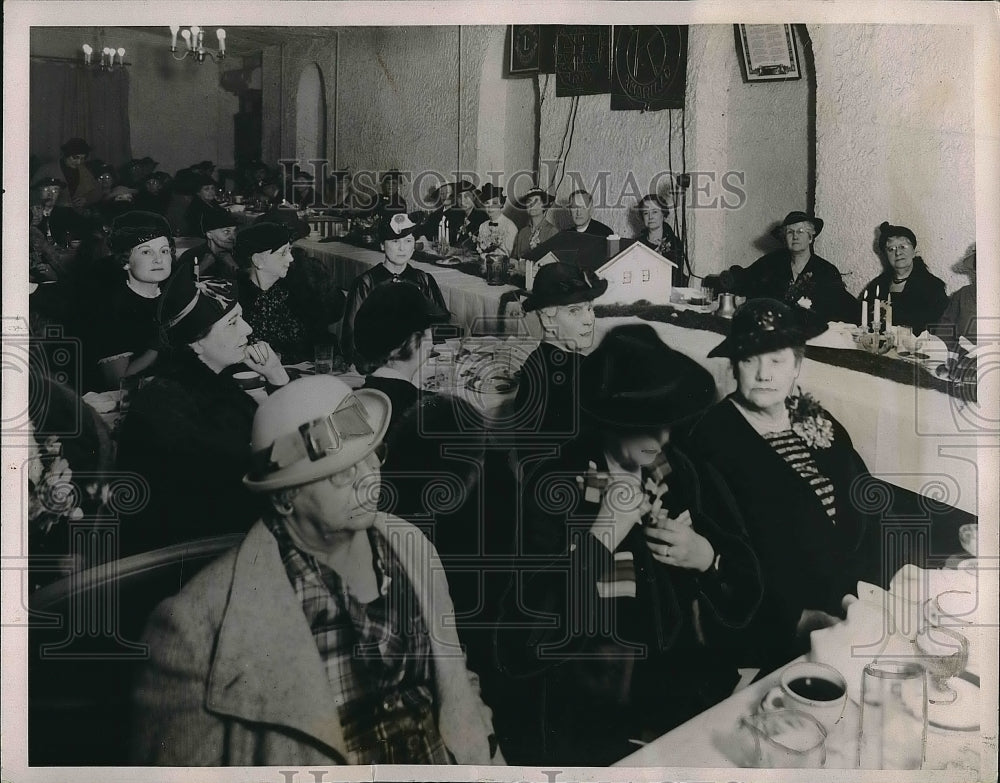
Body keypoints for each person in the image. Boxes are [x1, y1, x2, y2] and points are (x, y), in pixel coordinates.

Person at [131, 375, 504, 766]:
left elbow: (455, 680)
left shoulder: (410, 543)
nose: (369, 475)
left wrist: (493, 760)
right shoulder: (193, 630)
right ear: (285, 497)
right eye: (342, 470)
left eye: (372, 453)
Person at [495, 324, 762, 765]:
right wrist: (602, 536)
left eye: (667, 424)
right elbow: (522, 642)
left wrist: (706, 557)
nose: (663, 440)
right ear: (609, 421)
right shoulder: (556, 488)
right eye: (648, 427)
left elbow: (747, 582)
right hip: (593, 715)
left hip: (681, 693)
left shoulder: (675, 471)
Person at [685, 298, 873, 672]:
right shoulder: (711, 439)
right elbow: (728, 560)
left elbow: (860, 503)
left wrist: (857, 596)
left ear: (797, 366)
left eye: (776, 360)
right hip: (775, 623)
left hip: (848, 603)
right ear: (734, 366)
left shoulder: (814, 417)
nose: (763, 374)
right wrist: (797, 618)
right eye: (750, 360)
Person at [115, 260, 290, 555]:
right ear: (195, 343)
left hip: (222, 533)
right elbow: (246, 477)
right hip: (193, 553)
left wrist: (276, 375)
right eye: (233, 322)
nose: (248, 329)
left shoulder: (211, 382)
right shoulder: (171, 400)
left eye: (242, 318)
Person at [510, 261, 605, 441]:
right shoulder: (576, 372)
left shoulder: (537, 361)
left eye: (590, 308)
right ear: (547, 319)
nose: (589, 320)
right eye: (574, 311)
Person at [80, 211, 175, 390]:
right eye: (146, 252)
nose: (158, 259)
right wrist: (158, 345)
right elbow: (118, 382)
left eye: (164, 251)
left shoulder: (175, 296)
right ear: (125, 261)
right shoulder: (111, 309)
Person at [341, 212, 451, 365]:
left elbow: (441, 327)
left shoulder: (423, 280)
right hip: (378, 365)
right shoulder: (366, 283)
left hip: (419, 363)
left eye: (408, 241)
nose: (402, 248)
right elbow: (350, 338)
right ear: (381, 245)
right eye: (394, 241)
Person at [712, 211, 856, 323]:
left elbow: (841, 306)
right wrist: (729, 279)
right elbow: (745, 277)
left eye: (800, 231)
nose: (795, 236)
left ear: (811, 237)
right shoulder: (772, 262)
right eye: (790, 232)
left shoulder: (826, 270)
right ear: (784, 238)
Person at [355, 281, 449, 432]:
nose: (432, 337)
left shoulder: (360, 394)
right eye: (428, 329)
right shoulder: (426, 410)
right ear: (412, 341)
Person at [233, 222, 315, 363]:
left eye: (289, 250)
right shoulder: (236, 300)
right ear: (258, 260)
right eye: (283, 253)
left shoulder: (290, 292)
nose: (291, 258)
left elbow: (312, 344)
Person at [860, 221, 948, 336]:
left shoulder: (932, 286)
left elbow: (936, 329)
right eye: (891, 249)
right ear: (886, 255)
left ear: (913, 250)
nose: (898, 253)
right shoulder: (877, 285)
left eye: (902, 247)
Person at [31, 138, 102, 211]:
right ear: (66, 155)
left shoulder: (83, 170)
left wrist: (86, 199)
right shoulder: (47, 169)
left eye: (83, 158)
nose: (79, 162)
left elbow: (98, 191)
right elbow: (31, 193)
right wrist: (57, 203)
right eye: (75, 158)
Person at [634, 193, 684, 285]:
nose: (650, 217)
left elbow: (677, 278)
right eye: (645, 213)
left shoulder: (675, 244)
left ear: (664, 214)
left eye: (655, 212)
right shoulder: (637, 244)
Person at [177, 208, 239, 277]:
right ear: (209, 234)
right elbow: (178, 284)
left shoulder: (239, 255)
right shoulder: (190, 256)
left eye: (235, 231)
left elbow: (249, 284)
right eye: (226, 232)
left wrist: (234, 266)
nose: (233, 237)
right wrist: (202, 267)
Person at [511, 187, 558, 259]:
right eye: (529, 201)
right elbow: (514, 259)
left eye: (536, 202)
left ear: (544, 206)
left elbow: (554, 262)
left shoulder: (552, 231)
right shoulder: (522, 233)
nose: (532, 205)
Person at [184, 173, 230, 240]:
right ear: (198, 192)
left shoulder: (212, 203)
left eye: (212, 188)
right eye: (206, 189)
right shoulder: (197, 208)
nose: (211, 192)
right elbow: (202, 232)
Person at [475, 183, 517, 255]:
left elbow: (508, 253)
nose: (490, 207)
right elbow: (479, 249)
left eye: (494, 203)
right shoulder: (482, 226)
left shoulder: (510, 226)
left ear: (501, 204)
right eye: (487, 203)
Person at [451, 179, 488, 248]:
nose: (462, 201)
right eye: (459, 197)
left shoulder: (482, 217)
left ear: (474, 197)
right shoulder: (456, 216)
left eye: (466, 196)